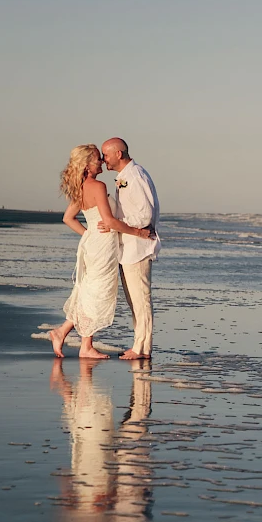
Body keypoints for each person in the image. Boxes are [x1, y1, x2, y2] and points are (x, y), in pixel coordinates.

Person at [50, 144, 153, 359]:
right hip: (103, 245)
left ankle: (74, 338)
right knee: (97, 291)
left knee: (90, 289)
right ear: (87, 165)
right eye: (98, 158)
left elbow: (68, 218)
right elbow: (109, 221)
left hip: (94, 243)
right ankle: (78, 341)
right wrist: (139, 232)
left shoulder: (82, 187)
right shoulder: (97, 186)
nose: (102, 162)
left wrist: (89, 235)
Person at [98, 138, 162, 360]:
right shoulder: (126, 176)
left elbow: (145, 215)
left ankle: (143, 348)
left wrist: (115, 222)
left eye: (106, 154)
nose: (103, 159)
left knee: (141, 299)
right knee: (134, 300)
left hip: (138, 247)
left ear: (119, 154)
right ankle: (138, 344)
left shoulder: (135, 176)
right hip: (128, 247)